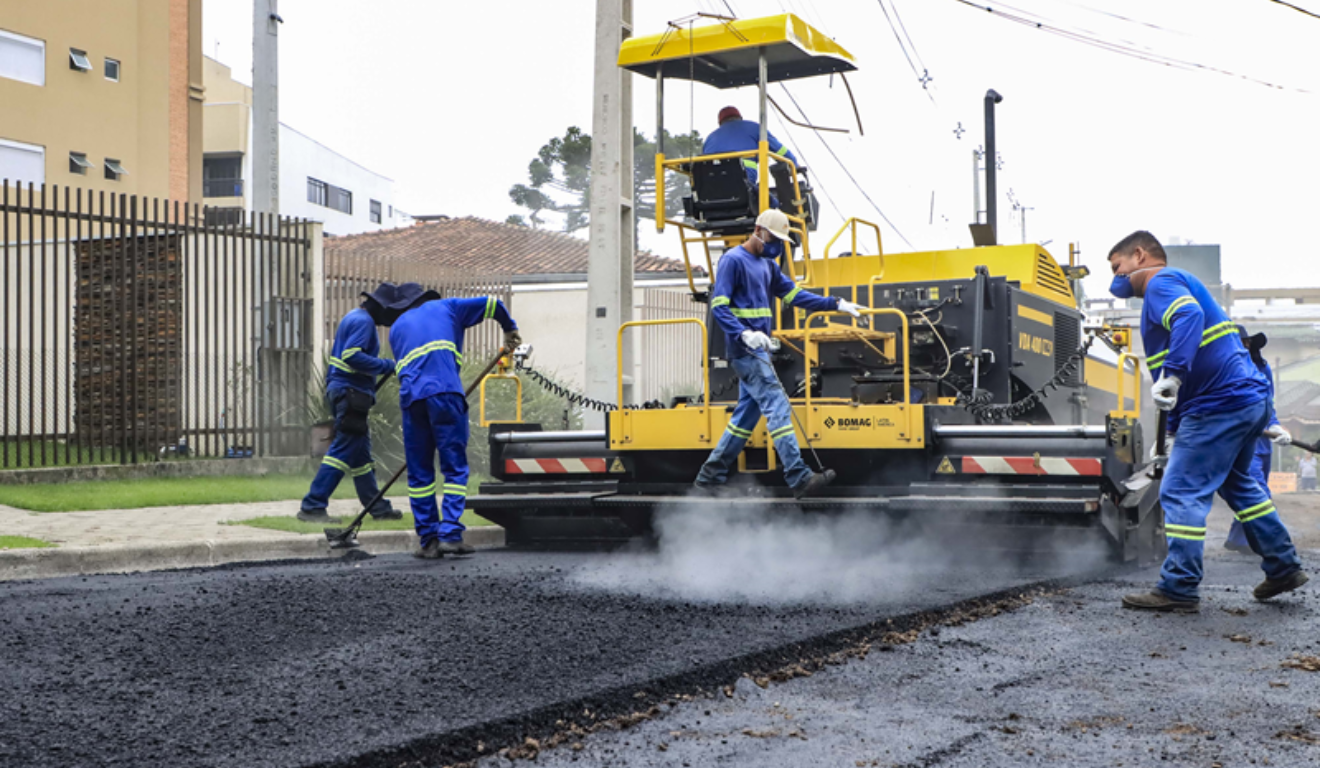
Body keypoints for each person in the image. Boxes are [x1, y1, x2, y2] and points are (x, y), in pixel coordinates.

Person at [1107, 231, 1306, 611]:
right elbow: (1198, 374)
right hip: (1245, 401)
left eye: (1117, 267)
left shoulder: (1161, 282)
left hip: (1218, 407)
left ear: (1138, 255)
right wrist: (1169, 432)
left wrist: (1173, 372)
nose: (1115, 279)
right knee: (1240, 487)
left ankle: (1178, 587)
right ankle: (1283, 566)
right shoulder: (1182, 282)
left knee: (1180, 492)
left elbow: (1188, 317)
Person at [694, 209, 866, 499]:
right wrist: (743, 334)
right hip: (745, 350)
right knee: (777, 404)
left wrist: (834, 304)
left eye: (780, 241)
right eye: (773, 238)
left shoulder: (767, 265)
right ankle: (799, 477)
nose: (776, 245)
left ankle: (709, 477)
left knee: (745, 418)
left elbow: (794, 295)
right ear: (758, 230)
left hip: (759, 350)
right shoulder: (732, 261)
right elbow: (719, 306)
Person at [389, 284, 521, 559]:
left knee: (420, 473)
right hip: (445, 393)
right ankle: (450, 534)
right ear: (428, 299)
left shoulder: (397, 327)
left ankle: (428, 542)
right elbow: (493, 304)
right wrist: (509, 329)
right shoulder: (448, 307)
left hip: (412, 400)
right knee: (454, 467)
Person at [298, 284, 408, 523]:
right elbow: (352, 355)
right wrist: (389, 366)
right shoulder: (364, 322)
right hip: (351, 393)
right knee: (341, 451)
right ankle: (312, 505)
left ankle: (377, 508)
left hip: (346, 392)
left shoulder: (354, 316)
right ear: (380, 307)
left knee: (361, 458)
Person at [1224, 327, 1291, 553]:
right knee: (1259, 492)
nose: (1245, 346)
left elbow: (1267, 401)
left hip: (1263, 441)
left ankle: (1237, 539)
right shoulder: (1223, 369)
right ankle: (1269, 546)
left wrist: (1275, 424)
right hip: (1241, 441)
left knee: (1250, 491)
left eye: (1247, 342)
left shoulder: (1262, 368)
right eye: (1240, 342)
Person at [703, 106, 798, 189]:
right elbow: (780, 151)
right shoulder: (754, 128)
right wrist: (794, 165)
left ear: (720, 122)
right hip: (744, 180)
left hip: (712, 186)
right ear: (740, 118)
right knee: (772, 204)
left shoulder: (710, 138)